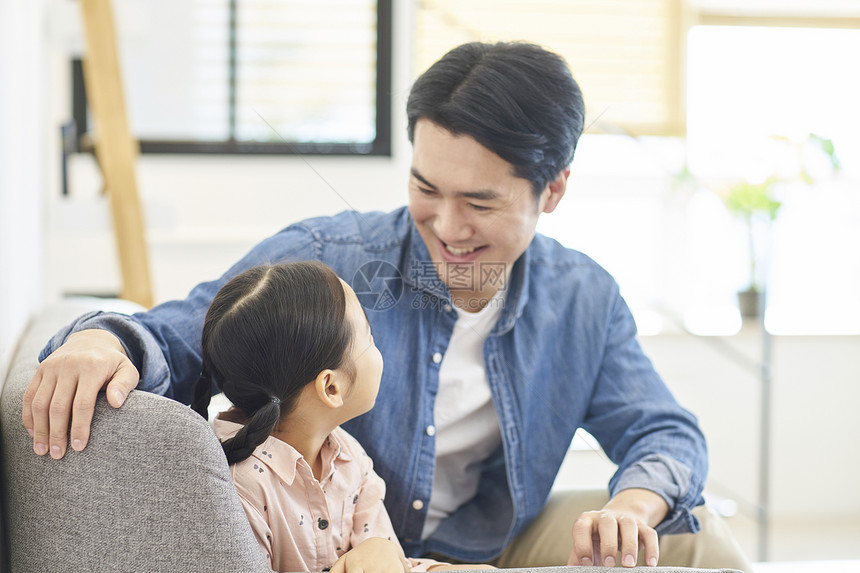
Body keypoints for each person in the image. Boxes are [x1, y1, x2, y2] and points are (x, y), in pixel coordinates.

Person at [23, 41, 753, 571]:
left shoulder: (584, 298)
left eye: (479, 201)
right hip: (337, 541)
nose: (446, 226)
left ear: (552, 191)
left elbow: (663, 429)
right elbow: (191, 332)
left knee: (699, 543)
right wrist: (109, 340)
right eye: (426, 188)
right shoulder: (330, 259)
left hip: (490, 540)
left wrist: (633, 507)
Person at [188, 260, 489, 572]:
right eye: (369, 336)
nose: (377, 345)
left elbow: (391, 563)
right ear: (331, 387)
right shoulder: (239, 488)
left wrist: (388, 552)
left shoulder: (348, 457)